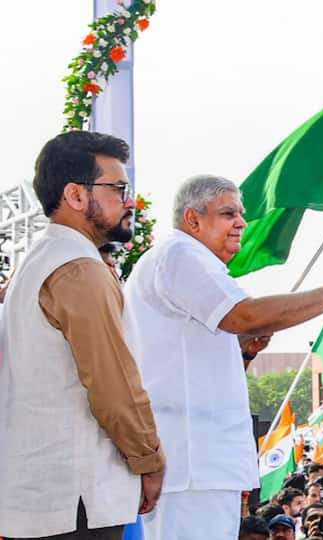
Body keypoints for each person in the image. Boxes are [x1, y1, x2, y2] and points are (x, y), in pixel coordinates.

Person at [123, 174, 323, 540]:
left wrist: (242, 352)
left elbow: (200, 352)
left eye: (241, 213)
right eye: (228, 213)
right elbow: (245, 315)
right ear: (193, 220)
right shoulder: (180, 253)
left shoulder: (187, 259)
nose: (241, 223)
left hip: (199, 466)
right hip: (191, 467)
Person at [0, 131, 165, 539]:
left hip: (45, 497)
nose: (129, 202)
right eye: (119, 188)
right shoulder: (78, 267)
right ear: (75, 195)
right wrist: (149, 460)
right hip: (76, 499)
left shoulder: (38, 260)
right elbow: (113, 384)